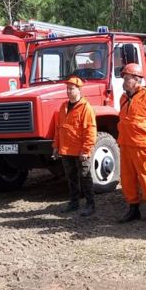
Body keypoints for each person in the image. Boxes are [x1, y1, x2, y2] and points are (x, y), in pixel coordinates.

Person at [116, 63, 146, 225]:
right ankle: (133, 209)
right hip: (125, 144)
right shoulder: (123, 98)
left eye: (127, 78)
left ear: (137, 80)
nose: (123, 80)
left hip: (141, 145)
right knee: (127, 178)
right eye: (124, 77)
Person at [53, 76, 97, 216]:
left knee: (85, 177)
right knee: (71, 177)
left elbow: (90, 130)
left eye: (71, 88)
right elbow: (59, 128)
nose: (68, 91)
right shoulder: (63, 107)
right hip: (66, 150)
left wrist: (86, 150)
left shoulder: (85, 108)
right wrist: (56, 146)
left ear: (79, 90)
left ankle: (90, 204)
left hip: (80, 151)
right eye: (67, 88)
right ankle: (74, 203)